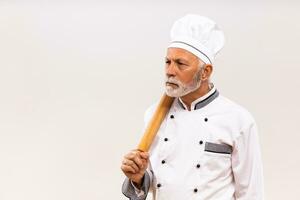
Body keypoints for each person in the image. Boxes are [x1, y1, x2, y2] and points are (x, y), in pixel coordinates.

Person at [121, 14, 264, 200]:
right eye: (168, 62)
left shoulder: (238, 120)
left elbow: (251, 193)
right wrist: (138, 178)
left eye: (180, 64)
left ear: (205, 72)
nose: (170, 71)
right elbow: (152, 183)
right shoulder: (153, 115)